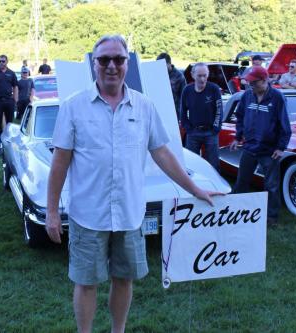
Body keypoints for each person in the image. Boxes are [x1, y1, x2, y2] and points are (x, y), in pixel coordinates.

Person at [46, 35, 221, 333]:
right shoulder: (73, 107)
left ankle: (118, 330)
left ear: (128, 63)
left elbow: (162, 153)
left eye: (118, 59)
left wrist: (195, 189)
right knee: (86, 282)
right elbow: (60, 161)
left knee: (124, 279)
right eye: (104, 60)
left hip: (129, 213)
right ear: (94, 63)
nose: (111, 66)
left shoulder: (144, 106)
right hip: (88, 214)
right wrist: (52, 212)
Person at [230, 66, 292, 226]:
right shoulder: (247, 95)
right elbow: (240, 116)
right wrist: (238, 137)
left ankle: (271, 218)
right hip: (249, 147)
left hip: (269, 150)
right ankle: (236, 211)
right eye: (249, 82)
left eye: (253, 82)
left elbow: (284, 124)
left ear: (264, 81)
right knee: (241, 182)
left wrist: (281, 147)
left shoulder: (277, 97)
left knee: (271, 185)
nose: (250, 85)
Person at [180, 62, 223, 171]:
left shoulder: (214, 89)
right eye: (199, 76)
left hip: (210, 133)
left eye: (205, 75)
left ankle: (215, 186)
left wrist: (216, 128)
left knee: (213, 164)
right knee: (191, 163)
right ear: (193, 75)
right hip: (193, 132)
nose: (202, 79)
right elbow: (183, 111)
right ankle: (193, 186)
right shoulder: (187, 90)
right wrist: (187, 128)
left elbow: (219, 110)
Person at [0, 55, 18, 136]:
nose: (1, 63)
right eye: (0, 61)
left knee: (10, 122)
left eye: (3, 61)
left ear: (7, 62)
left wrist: (15, 99)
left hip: (9, 100)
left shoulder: (11, 73)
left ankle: (9, 137)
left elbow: (15, 86)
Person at [156, 52, 186, 119]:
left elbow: (184, 97)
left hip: (175, 113)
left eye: (163, 65)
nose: (160, 68)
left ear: (169, 63)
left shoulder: (179, 77)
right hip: (159, 110)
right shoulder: (157, 73)